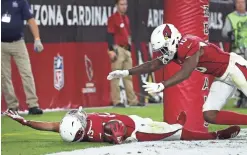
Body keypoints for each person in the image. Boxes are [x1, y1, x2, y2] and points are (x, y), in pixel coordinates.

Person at [107, 23, 247, 126]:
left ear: (171, 40)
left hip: (235, 68)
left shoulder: (188, 43)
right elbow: (153, 64)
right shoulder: (176, 50)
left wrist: (162, 85)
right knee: (209, 115)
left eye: (163, 48)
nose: (163, 52)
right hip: (223, 78)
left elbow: (186, 72)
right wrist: (126, 72)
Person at [4, 107, 240, 144]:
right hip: (134, 132)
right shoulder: (97, 132)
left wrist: (25, 122)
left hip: (134, 120)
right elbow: (118, 133)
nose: (82, 116)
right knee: (175, 133)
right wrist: (116, 133)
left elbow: (48, 125)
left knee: (157, 122)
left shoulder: (70, 127)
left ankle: (172, 124)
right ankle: (216, 134)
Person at [1, 0, 43, 114]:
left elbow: (30, 19)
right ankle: (12, 106)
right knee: (4, 77)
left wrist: (37, 39)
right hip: (1, 44)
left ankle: (33, 105)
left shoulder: (20, 1)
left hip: (18, 43)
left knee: (26, 73)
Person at [107, 0, 142, 107]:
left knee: (128, 76)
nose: (124, 7)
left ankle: (132, 101)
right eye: (121, 4)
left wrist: (130, 49)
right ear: (117, 6)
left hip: (127, 49)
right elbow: (109, 35)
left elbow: (127, 35)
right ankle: (117, 101)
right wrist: (111, 50)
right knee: (116, 76)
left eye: (125, 4)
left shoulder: (126, 18)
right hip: (118, 49)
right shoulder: (113, 18)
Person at [222, 0, 247, 108]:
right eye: (238, 2)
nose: (240, 4)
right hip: (238, 50)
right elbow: (224, 32)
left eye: (242, 2)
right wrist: (229, 33)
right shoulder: (230, 17)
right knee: (238, 75)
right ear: (235, 4)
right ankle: (239, 99)